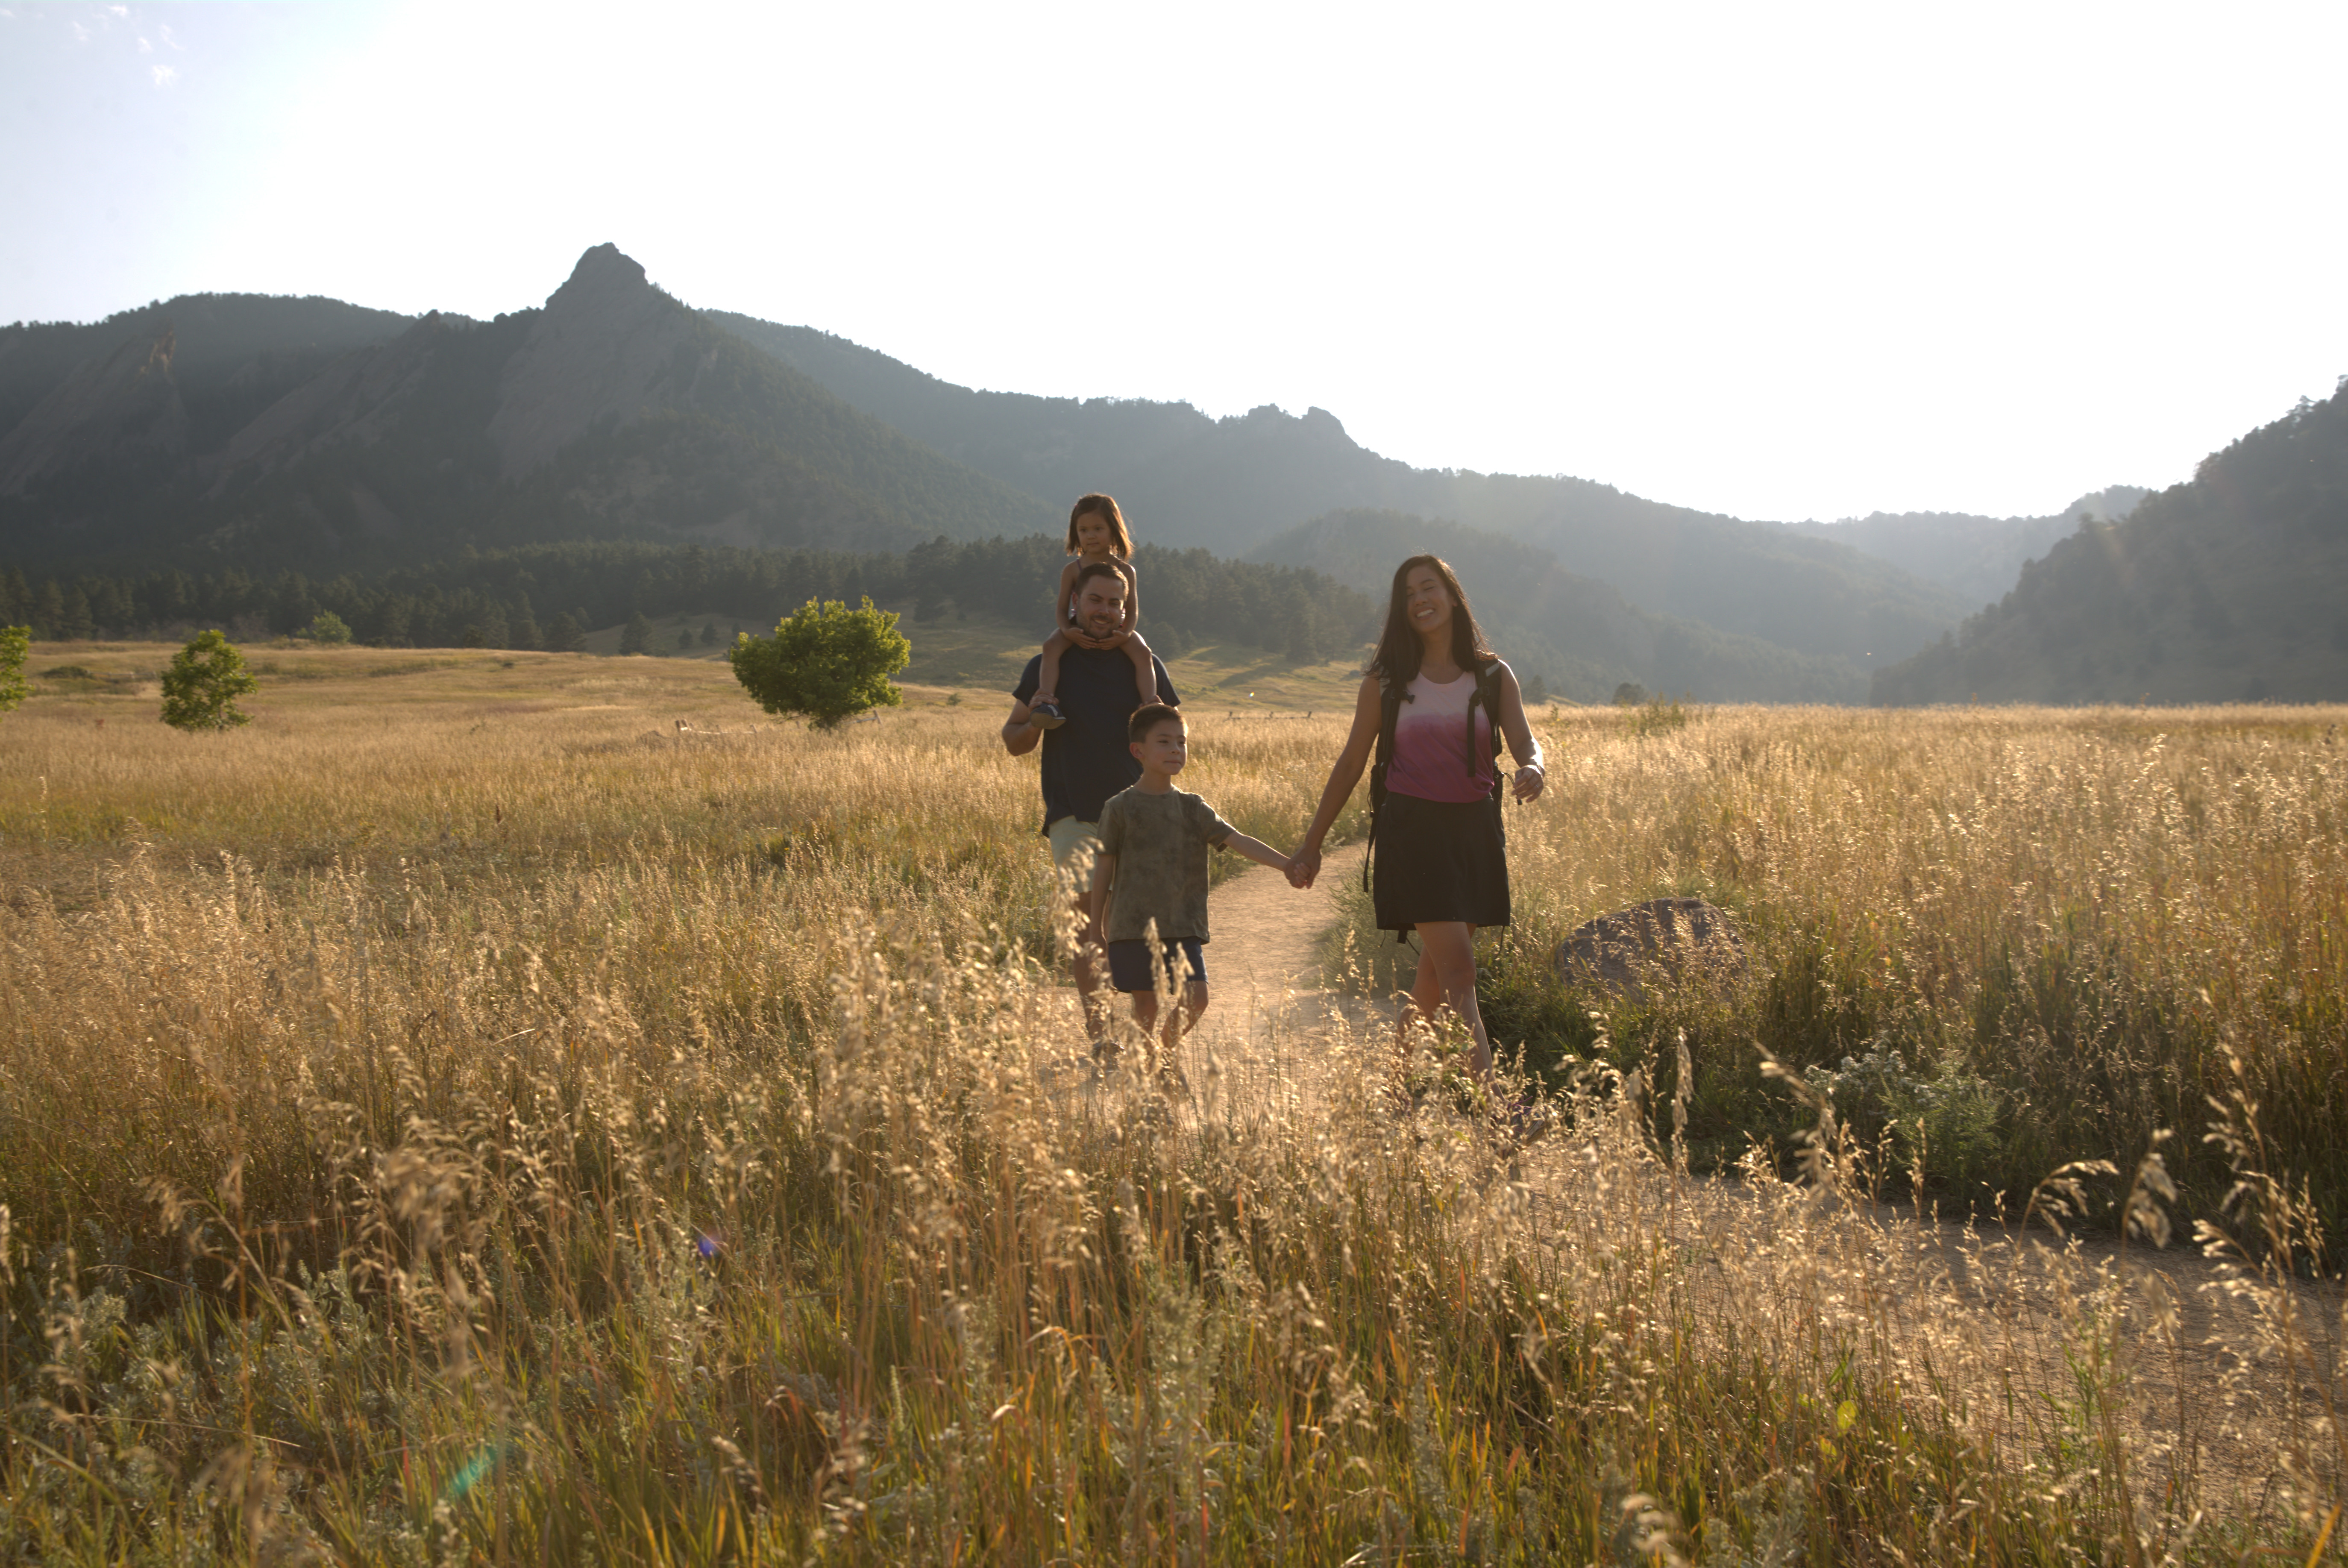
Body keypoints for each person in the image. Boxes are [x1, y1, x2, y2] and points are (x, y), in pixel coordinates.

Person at [1287, 555, 1545, 1088]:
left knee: (1433, 977)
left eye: (1429, 588)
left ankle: (1396, 1092)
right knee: (1459, 971)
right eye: (1408, 594)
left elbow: (1523, 739)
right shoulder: (1385, 683)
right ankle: (1501, 1114)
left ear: (1452, 596)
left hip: (1476, 833)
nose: (1419, 600)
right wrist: (1312, 844)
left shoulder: (1494, 675)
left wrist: (1534, 766)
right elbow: (1351, 763)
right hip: (1413, 835)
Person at [1002, 563, 1181, 1040]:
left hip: (1139, 815)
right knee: (1087, 929)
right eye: (1096, 600)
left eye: (1114, 603)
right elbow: (1012, 738)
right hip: (1074, 814)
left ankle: (1144, 1036)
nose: (1105, 611)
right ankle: (1101, 1037)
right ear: (1075, 603)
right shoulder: (1048, 666)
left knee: (1139, 929)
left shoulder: (1144, 664)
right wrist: (1037, 726)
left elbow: (1173, 739)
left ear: (1126, 609)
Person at [1090, 704, 1293, 1067]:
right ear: (1138, 750)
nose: (1175, 750)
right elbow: (1103, 867)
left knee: (1196, 999)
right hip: (1133, 927)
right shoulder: (1119, 808)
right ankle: (1140, 1070)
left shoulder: (1193, 807)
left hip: (1183, 925)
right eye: (1164, 742)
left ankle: (1160, 1057)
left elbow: (1237, 839)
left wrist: (1286, 865)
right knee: (1147, 1006)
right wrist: (1096, 927)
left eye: (1181, 743)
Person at [1026, 493, 1157, 728]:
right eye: (1084, 530)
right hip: (1078, 626)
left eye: (1098, 528)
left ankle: (1150, 705)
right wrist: (1067, 631)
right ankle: (1047, 701)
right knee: (1050, 647)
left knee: (1143, 653)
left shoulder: (1126, 570)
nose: (1091, 536)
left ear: (1114, 530)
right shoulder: (1072, 570)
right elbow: (1061, 609)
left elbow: (1133, 610)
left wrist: (1125, 635)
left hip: (1116, 628)